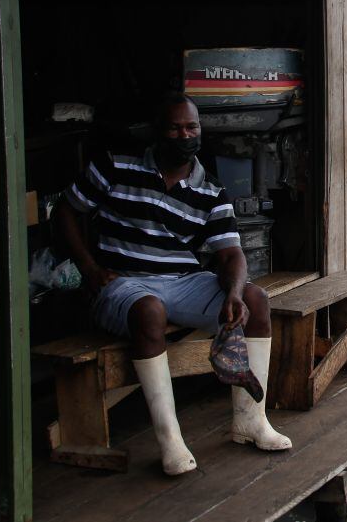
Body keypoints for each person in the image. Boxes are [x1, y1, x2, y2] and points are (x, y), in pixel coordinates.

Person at [55, 91, 290, 476]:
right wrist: (89, 268)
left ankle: (250, 421)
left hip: (183, 281)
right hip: (124, 284)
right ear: (157, 132)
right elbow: (67, 208)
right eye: (175, 128)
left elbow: (231, 255)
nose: (185, 135)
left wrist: (233, 293)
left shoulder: (210, 191)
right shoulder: (116, 166)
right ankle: (170, 439)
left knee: (256, 299)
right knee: (151, 310)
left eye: (192, 127)